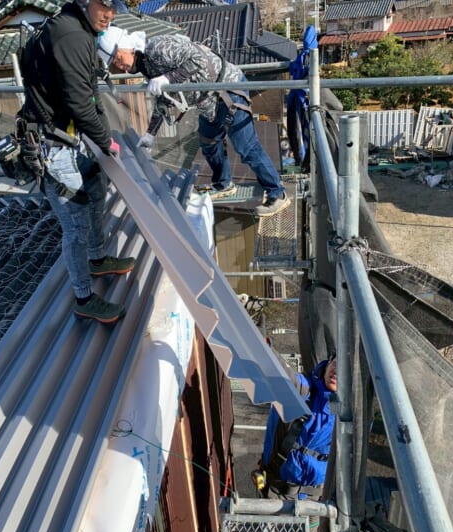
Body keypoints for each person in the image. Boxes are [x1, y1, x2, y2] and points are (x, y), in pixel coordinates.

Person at [18, 0, 135, 324]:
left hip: (68, 138)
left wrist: (101, 136)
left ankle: (97, 259)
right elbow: (80, 103)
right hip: (52, 146)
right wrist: (104, 141)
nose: (109, 14)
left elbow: (90, 95)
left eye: (114, 7)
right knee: (76, 223)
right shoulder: (70, 36)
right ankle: (83, 296)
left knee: (96, 191)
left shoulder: (77, 30)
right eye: (104, 5)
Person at [96, 26, 289, 217]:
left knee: (246, 147)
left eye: (118, 58)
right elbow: (164, 98)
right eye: (114, 63)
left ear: (128, 47)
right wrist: (149, 134)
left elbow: (197, 59)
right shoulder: (147, 65)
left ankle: (277, 193)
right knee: (208, 141)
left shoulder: (158, 48)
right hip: (209, 100)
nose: (120, 66)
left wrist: (166, 78)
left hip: (229, 88)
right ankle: (223, 184)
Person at [260, 354, 337, 502]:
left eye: (345, 369)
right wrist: (265, 351)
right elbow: (288, 380)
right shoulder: (306, 390)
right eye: (335, 363)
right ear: (327, 364)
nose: (337, 371)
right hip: (277, 492)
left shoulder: (350, 413)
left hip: (314, 499)